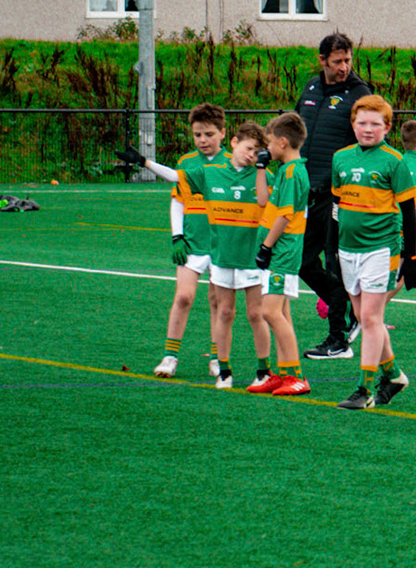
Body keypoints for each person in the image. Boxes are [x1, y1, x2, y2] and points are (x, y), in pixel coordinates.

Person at [118, 102, 224, 378]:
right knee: (184, 297)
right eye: (198, 134)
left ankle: (218, 358)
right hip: (192, 244)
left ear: (223, 133)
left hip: (222, 246)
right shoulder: (186, 162)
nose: (203, 140)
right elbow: (178, 201)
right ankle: (170, 357)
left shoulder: (232, 162)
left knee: (218, 301)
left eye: (209, 134)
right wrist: (177, 237)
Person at [330, 95, 416, 410]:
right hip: (347, 249)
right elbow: (336, 207)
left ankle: (364, 389)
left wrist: (411, 257)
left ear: (387, 127)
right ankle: (393, 375)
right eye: (362, 123)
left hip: (381, 248)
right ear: (353, 124)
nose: (368, 129)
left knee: (369, 317)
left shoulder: (394, 161)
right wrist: (331, 249)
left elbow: (408, 211)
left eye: (375, 124)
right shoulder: (340, 158)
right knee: (363, 317)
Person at [296, 33, 374, 359]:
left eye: (348, 60)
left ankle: (338, 339)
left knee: (334, 263)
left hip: (338, 194)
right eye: (338, 61)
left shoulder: (359, 93)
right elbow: (295, 131)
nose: (344, 67)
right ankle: (351, 310)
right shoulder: (311, 89)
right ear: (322, 60)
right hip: (306, 191)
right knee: (302, 260)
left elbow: (369, 141)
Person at [204, 120, 273, 389]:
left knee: (256, 314)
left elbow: (273, 203)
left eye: (257, 151)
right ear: (234, 143)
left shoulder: (264, 176)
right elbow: (177, 177)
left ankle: (263, 370)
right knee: (225, 312)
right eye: (248, 148)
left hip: (251, 258)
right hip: (222, 256)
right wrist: (145, 163)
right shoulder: (211, 172)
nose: (251, 155)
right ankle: (224, 371)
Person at [248, 112, 313, 395]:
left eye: (270, 143)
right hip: (278, 252)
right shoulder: (286, 170)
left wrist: (266, 246)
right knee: (281, 312)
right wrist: (261, 167)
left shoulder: (293, 172)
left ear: (283, 142)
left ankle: (297, 375)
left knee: (270, 312)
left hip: (283, 252)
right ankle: (284, 372)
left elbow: (285, 216)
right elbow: (263, 200)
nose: (268, 148)